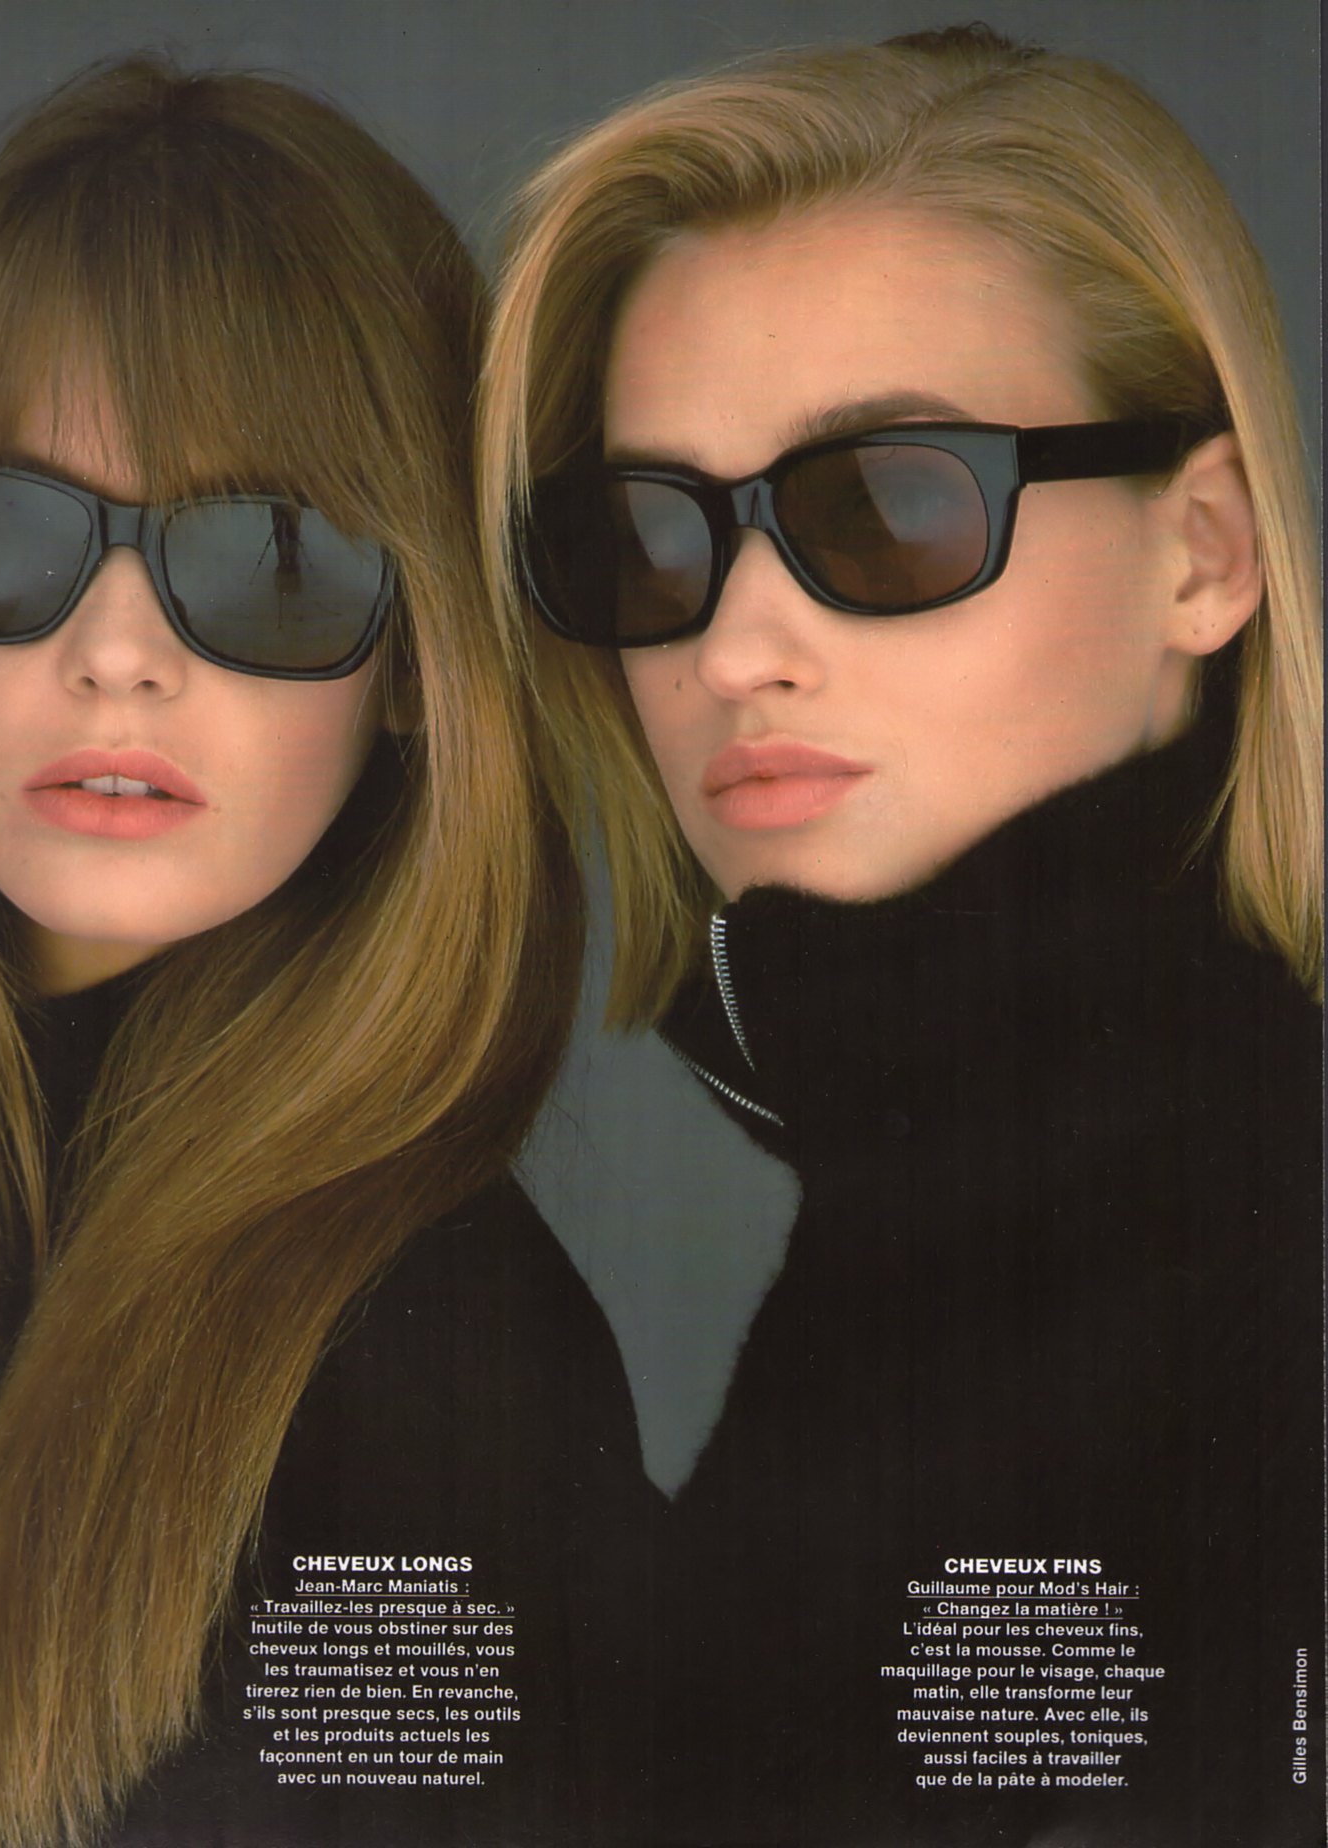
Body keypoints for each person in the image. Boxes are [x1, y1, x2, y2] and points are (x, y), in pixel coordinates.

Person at [481, 24, 1322, 1846]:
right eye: (653, 538)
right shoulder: (919, 1235)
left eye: (887, 505)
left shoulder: (1254, 1255)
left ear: (1202, 554)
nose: (733, 647)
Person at [0, 59, 654, 1848]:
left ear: (418, 667)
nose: (116, 652)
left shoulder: (446, 1362)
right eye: (11, 530)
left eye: (274, 560)